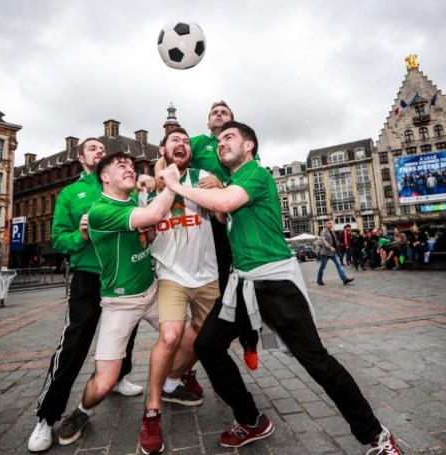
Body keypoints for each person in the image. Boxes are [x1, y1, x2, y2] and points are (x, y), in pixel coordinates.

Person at [158, 121, 403, 454]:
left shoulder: (255, 174)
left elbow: (226, 205)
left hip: (274, 282)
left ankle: (377, 436)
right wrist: (212, 195)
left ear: (250, 147)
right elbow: (223, 214)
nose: (220, 144)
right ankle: (250, 419)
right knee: (208, 346)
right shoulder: (232, 180)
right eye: (218, 141)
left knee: (317, 362)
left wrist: (177, 184)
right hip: (242, 285)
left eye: (229, 138)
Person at [28, 139, 145, 453]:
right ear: (80, 158)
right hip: (89, 276)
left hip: (121, 274)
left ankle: (119, 378)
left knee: (127, 334)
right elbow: (58, 239)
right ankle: (46, 416)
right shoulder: (70, 193)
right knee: (74, 344)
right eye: (92, 148)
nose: (100, 151)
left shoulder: (127, 188)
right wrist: (79, 235)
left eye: (101, 148)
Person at [57, 151, 178, 455]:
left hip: (151, 294)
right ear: (104, 178)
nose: (129, 168)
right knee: (105, 382)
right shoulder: (99, 211)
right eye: (120, 165)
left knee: (188, 338)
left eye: (131, 165)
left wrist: (149, 231)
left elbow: (147, 231)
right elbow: (152, 215)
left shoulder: (136, 200)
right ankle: (82, 411)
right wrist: (172, 184)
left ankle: (171, 384)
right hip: (119, 303)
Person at [156, 100, 259, 374]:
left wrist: (222, 184)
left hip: (237, 217)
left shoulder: (241, 145)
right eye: (215, 113)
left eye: (224, 113)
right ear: (208, 122)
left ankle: (250, 340)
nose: (219, 115)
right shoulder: (198, 142)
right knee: (223, 289)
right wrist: (158, 178)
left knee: (246, 281)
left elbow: (248, 181)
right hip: (209, 220)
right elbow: (165, 158)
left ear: (233, 122)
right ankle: (191, 363)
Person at [140, 128, 224, 444]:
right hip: (171, 274)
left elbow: (220, 214)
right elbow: (143, 228)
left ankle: (175, 378)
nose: (182, 144)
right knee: (171, 335)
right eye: (175, 140)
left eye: (187, 141)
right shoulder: (148, 185)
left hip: (207, 274)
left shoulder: (202, 176)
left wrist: (220, 187)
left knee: (206, 337)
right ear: (162, 149)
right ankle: (152, 411)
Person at [317, 219, 354, 286]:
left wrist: (338, 248)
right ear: (325, 224)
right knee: (322, 267)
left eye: (331, 223)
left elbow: (335, 241)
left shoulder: (332, 232)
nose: (330, 225)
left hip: (333, 253)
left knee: (339, 265)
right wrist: (329, 247)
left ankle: (344, 279)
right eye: (328, 223)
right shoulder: (323, 231)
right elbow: (323, 241)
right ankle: (319, 280)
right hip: (325, 253)